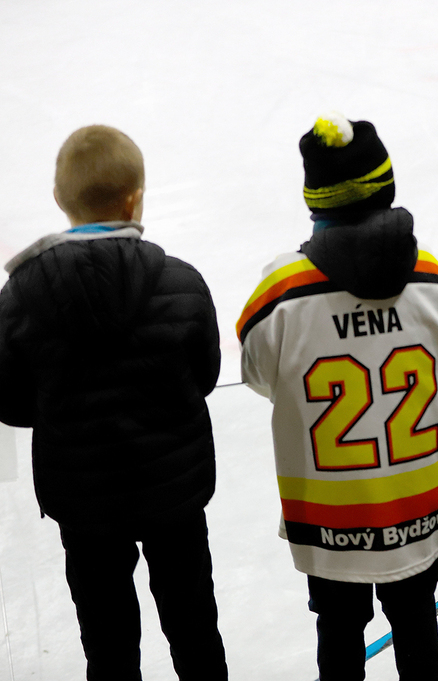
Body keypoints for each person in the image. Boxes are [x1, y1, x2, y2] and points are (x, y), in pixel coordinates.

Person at [237, 113, 438, 681]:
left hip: (329, 521)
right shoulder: (434, 280)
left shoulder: (279, 292)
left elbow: (261, 377)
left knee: (337, 635)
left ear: (314, 199)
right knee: (417, 627)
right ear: (386, 187)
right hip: (417, 509)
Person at [0, 125, 227, 680]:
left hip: (85, 504)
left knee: (107, 643)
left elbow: (10, 402)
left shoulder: (19, 298)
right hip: (173, 491)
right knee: (194, 626)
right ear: (135, 199)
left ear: (60, 199)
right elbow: (204, 375)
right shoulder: (181, 282)